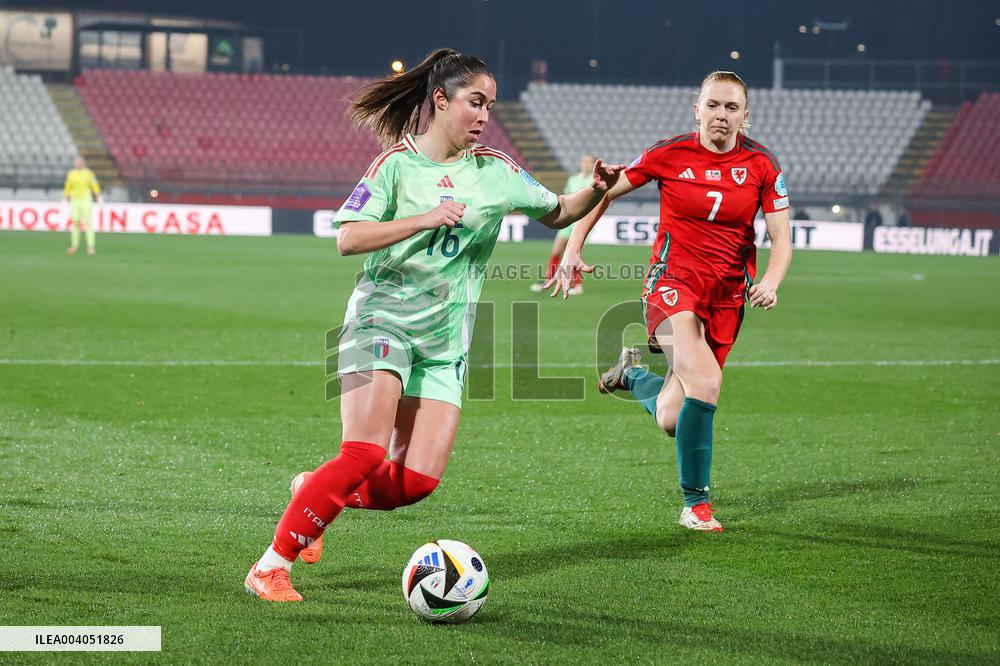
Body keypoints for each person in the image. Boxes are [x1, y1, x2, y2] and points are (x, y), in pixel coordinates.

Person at [244, 48, 624, 602]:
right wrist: (422, 218)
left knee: (414, 482)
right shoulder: (395, 166)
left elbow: (560, 211)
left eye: (490, 106)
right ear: (440, 100)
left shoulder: (495, 171)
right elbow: (348, 237)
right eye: (475, 102)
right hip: (381, 322)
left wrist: (598, 188)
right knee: (364, 454)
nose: (484, 116)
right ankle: (270, 567)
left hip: (444, 344)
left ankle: (313, 492)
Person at [546, 71, 792, 532]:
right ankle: (696, 505)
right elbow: (605, 190)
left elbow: (782, 240)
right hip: (671, 285)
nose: (721, 115)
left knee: (672, 417)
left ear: (745, 116)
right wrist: (574, 245)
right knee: (707, 381)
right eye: (713, 105)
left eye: (731, 107)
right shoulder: (669, 153)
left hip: (726, 298)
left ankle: (632, 375)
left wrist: (772, 282)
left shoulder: (763, 165)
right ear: (696, 109)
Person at [530, 153, 596, 295]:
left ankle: (577, 285)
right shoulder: (573, 179)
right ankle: (549, 279)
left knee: (574, 252)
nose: (585, 164)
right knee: (556, 251)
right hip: (569, 219)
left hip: (583, 221)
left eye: (588, 161)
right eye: (583, 161)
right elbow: (567, 197)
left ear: (593, 164)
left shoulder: (595, 179)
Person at [63, 156, 102, 255]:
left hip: (86, 199)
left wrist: (98, 196)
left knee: (88, 222)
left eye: (80, 162)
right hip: (75, 200)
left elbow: (94, 185)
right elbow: (68, 186)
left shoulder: (88, 173)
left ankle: (91, 246)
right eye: (77, 162)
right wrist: (65, 197)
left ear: (83, 163)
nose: (79, 164)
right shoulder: (71, 174)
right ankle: (74, 245)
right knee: (75, 221)